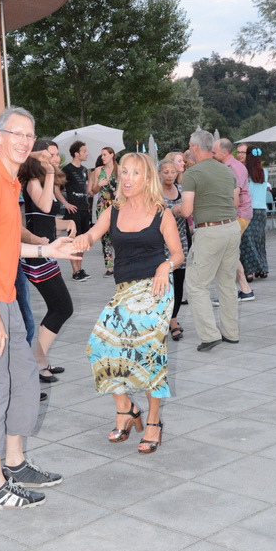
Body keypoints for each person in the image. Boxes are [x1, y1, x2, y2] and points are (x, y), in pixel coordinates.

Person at [0, 106, 78, 509]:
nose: (23, 141)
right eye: (15, 133)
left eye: (29, 135)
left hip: (4, 296)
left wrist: (47, 249)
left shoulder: (9, 181)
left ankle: (16, 463)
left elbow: (3, 244)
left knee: (23, 380)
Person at [73, 153, 183, 454]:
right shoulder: (113, 210)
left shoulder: (162, 213)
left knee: (149, 352)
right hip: (125, 290)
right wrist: (80, 240)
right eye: (124, 172)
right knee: (98, 345)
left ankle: (154, 421)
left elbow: (177, 254)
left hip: (157, 287)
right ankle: (126, 408)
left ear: (146, 178)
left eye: (135, 173)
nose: (128, 178)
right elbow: (91, 235)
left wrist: (165, 266)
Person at [19, 139, 75, 383]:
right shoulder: (33, 180)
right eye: (49, 155)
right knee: (62, 307)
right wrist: (51, 173)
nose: (54, 159)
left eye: (56, 155)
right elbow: (43, 206)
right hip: (36, 256)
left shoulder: (43, 180)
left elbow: (45, 218)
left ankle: (40, 358)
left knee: (59, 307)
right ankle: (38, 360)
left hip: (46, 253)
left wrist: (67, 223)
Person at [180, 130, 241, 351]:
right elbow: (235, 203)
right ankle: (231, 333)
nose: (189, 149)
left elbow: (186, 211)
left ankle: (209, 335)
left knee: (197, 284)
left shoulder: (192, 173)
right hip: (232, 228)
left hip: (209, 231)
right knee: (227, 283)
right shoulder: (227, 170)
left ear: (196, 147)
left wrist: (175, 210)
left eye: (190, 146)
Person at [212, 139, 255, 301]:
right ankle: (245, 289)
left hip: (238, 214)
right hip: (238, 214)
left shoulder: (234, 168)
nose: (212, 155)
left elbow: (234, 197)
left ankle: (229, 293)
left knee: (226, 253)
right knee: (229, 252)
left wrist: (224, 215)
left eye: (214, 152)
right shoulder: (229, 166)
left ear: (224, 153)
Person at [159, 158, 189, 340]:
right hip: (160, 244)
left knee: (178, 283)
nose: (170, 175)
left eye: (173, 172)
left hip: (180, 242)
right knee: (163, 284)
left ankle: (174, 320)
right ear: (159, 174)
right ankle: (162, 320)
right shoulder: (154, 193)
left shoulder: (182, 190)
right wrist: (171, 212)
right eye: (166, 172)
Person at [62, 140, 91, 281]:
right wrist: (65, 203)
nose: (87, 154)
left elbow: (88, 189)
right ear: (76, 154)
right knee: (73, 241)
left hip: (84, 209)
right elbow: (56, 188)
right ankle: (75, 272)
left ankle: (80, 269)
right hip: (73, 211)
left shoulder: (85, 170)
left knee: (82, 241)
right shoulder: (66, 170)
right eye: (84, 151)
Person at [239, 147, 269, 281]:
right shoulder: (264, 172)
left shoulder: (244, 173)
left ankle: (249, 270)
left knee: (246, 241)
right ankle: (262, 268)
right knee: (259, 240)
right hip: (262, 210)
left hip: (248, 209)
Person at [89, 147, 118, 276]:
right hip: (103, 205)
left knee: (118, 233)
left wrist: (121, 192)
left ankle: (121, 262)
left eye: (105, 154)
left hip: (117, 205)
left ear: (112, 155)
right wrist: (99, 185)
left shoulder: (120, 169)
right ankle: (109, 267)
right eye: (101, 155)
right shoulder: (98, 170)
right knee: (105, 236)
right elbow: (94, 191)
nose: (102, 157)